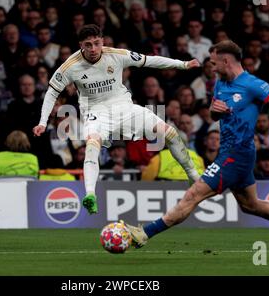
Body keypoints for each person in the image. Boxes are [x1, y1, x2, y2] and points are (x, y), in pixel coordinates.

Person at [123, 40, 269, 261]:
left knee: (193, 195)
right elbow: (215, 113)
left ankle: (144, 234)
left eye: (214, 63)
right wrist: (214, 110)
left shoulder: (251, 84)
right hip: (230, 152)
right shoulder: (220, 82)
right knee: (251, 205)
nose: (212, 67)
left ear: (226, 61)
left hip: (237, 155)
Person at [33, 24, 201, 214]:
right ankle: (90, 194)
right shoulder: (70, 66)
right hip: (96, 112)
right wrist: (42, 122)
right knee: (91, 144)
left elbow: (150, 60)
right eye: (88, 45)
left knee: (168, 132)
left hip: (124, 107)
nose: (94, 49)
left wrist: (183, 64)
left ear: (102, 41)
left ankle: (193, 176)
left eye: (97, 43)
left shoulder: (116, 54)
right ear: (81, 45)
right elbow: (51, 93)